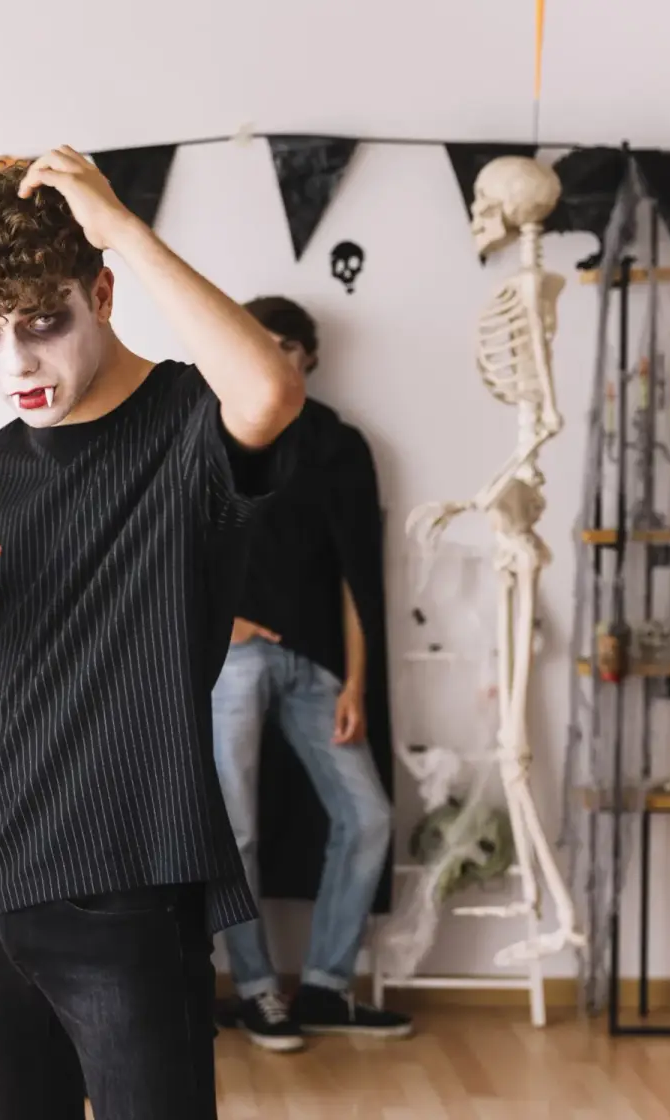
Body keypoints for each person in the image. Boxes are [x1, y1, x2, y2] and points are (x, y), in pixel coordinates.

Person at [0, 150, 305, 1118]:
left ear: (104, 291)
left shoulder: (187, 424)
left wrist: (118, 222)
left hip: (128, 883)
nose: (17, 363)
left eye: (44, 322)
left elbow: (271, 394)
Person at [210, 296, 408, 1051]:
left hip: (321, 661)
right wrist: (217, 624)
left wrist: (357, 683)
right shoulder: (211, 435)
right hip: (233, 658)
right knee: (236, 829)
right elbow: (170, 548)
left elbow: (358, 575)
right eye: (257, 343)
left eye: (287, 344)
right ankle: (257, 991)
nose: (274, 355)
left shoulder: (339, 446)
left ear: (310, 356)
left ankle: (325, 987)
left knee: (369, 817)